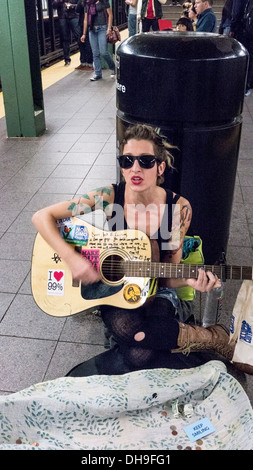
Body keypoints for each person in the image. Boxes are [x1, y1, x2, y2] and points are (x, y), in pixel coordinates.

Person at [32, 123, 253, 377]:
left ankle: (211, 337)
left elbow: (167, 277)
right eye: (127, 160)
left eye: (145, 161)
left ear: (160, 167)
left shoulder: (177, 209)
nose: (135, 168)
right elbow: (41, 217)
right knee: (139, 350)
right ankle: (208, 338)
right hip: (114, 288)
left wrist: (193, 281)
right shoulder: (108, 197)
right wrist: (72, 259)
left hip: (157, 291)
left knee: (138, 350)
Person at [80, 0, 115, 81]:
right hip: (91, 30)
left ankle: (113, 67)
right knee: (95, 53)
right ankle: (98, 73)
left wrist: (109, 28)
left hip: (102, 28)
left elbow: (110, 14)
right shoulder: (87, 3)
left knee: (103, 52)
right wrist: (84, 34)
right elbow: (85, 20)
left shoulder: (103, 1)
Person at [230, 0, 253, 96]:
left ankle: (241, 85)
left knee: (242, 56)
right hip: (250, 30)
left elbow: (236, 13)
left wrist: (232, 29)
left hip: (244, 31)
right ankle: (247, 85)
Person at [52, 0, 84, 66]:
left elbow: (81, 3)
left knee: (79, 36)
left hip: (74, 15)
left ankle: (83, 59)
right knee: (65, 38)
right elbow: (53, 5)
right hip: (62, 16)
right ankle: (67, 59)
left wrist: (73, 6)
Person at [75, 0, 93, 70]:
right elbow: (77, 9)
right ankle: (83, 62)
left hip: (91, 23)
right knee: (81, 42)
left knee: (88, 43)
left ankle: (89, 63)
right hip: (82, 23)